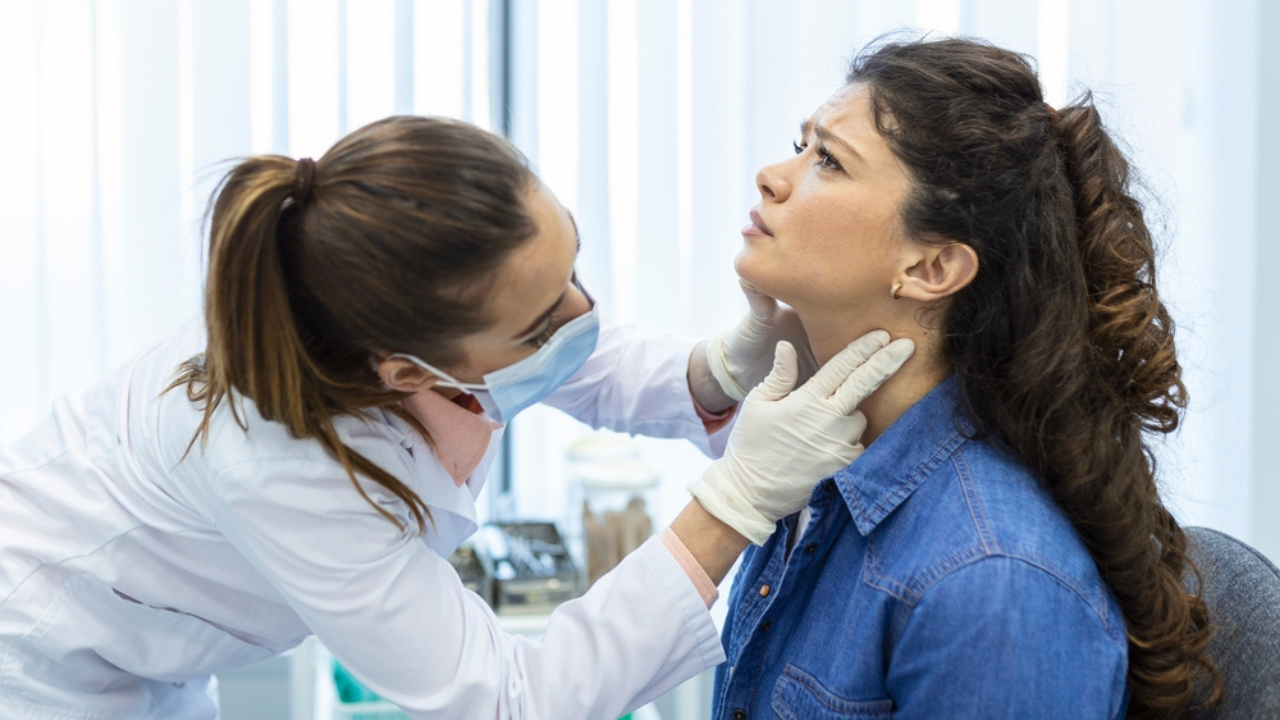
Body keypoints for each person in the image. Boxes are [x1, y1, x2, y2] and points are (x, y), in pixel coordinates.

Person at [0, 116, 914, 719]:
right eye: (545, 316)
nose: (582, 318)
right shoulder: (279, 462)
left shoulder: (412, 305)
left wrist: (713, 371)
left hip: (159, 652)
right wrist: (733, 505)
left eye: (571, 272)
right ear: (406, 370)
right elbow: (506, 702)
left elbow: (568, 358)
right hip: (53, 665)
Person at [712, 37, 1220, 720]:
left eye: (827, 160)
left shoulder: (991, 582)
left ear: (932, 268)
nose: (773, 176)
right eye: (799, 146)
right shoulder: (816, 472)